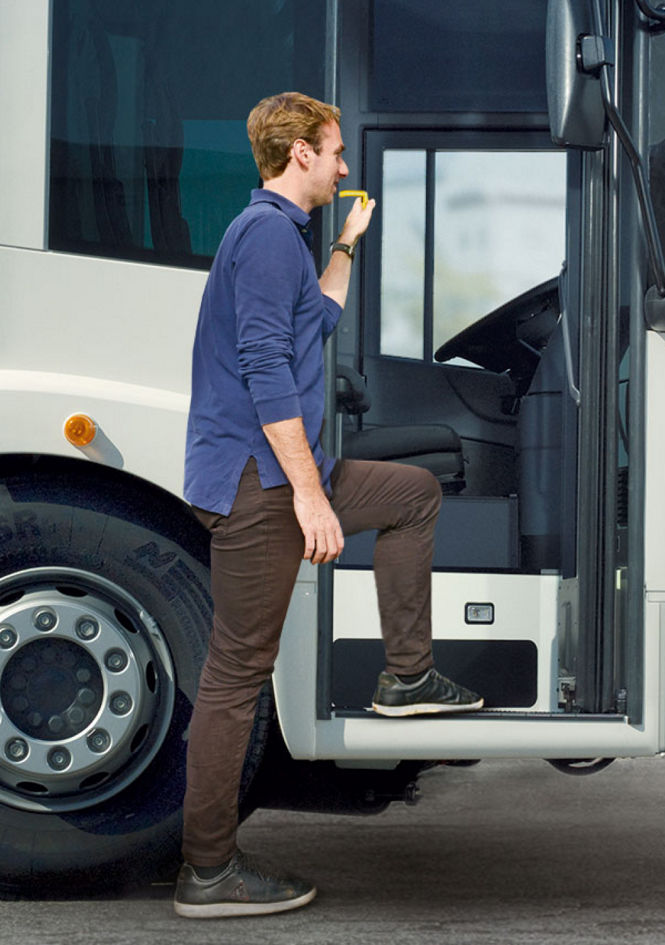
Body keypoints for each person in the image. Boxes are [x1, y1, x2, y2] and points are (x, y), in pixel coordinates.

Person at [172, 91, 482, 919]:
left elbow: (317, 319)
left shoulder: (284, 237)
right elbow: (267, 366)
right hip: (260, 482)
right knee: (237, 672)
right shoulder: (267, 235)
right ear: (300, 153)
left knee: (412, 494)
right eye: (336, 151)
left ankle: (407, 675)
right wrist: (312, 497)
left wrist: (346, 242)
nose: (345, 165)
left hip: (279, 471)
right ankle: (207, 869)